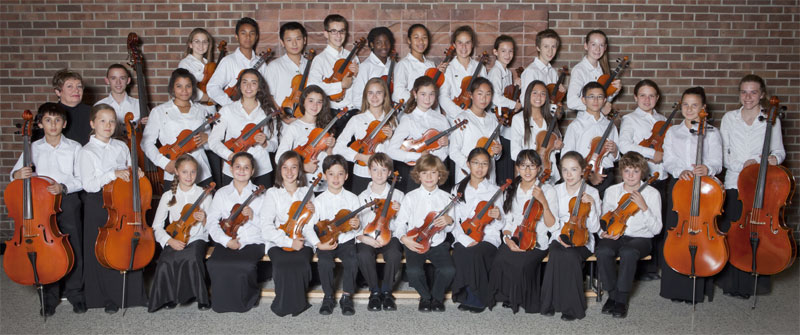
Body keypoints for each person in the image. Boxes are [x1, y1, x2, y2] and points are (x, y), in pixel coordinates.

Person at [10, 103, 85, 316]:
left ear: (65, 123)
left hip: (67, 200)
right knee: (47, 252)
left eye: (57, 120)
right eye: (48, 120)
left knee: (74, 246)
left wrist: (63, 187)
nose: (53, 124)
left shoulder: (74, 147)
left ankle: (76, 294)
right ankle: (49, 298)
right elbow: (13, 174)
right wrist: (18, 175)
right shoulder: (33, 147)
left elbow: (81, 178)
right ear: (41, 124)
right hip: (41, 207)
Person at [717, 74, 785, 299]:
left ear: (762, 94)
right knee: (734, 232)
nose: (748, 97)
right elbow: (724, 153)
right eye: (744, 92)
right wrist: (742, 165)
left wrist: (771, 160)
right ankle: (731, 283)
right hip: (735, 181)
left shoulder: (771, 118)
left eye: (753, 92)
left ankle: (754, 283)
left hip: (760, 183)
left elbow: (779, 151)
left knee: (759, 234)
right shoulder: (729, 118)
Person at [76, 104, 146, 313]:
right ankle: (107, 298)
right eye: (103, 121)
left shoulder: (121, 146)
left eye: (112, 121)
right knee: (103, 251)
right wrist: (113, 174)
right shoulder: (86, 152)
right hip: (99, 203)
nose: (108, 125)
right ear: (92, 123)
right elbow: (88, 184)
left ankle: (133, 295)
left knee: (125, 246)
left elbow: (128, 167)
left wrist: (136, 172)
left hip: (121, 202)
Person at [659, 86, 723, 304]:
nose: (689, 109)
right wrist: (680, 171)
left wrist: (708, 169)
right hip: (680, 186)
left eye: (694, 105)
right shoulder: (673, 132)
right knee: (678, 232)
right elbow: (668, 159)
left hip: (704, 188)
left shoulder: (712, 132)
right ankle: (675, 287)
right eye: (685, 104)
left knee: (702, 233)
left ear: (703, 108)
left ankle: (700, 282)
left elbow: (717, 161)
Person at [489, 150, 556, 314]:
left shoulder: (548, 190)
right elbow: (508, 220)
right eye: (523, 166)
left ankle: (520, 298)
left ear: (539, 169)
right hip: (515, 235)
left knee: (520, 262)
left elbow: (552, 225)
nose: (527, 171)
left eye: (532, 166)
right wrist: (507, 239)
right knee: (499, 259)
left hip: (537, 239)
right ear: (517, 168)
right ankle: (507, 295)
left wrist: (544, 203)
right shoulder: (512, 189)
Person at [596, 151, 662, 318]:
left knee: (628, 252)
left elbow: (656, 230)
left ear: (643, 172)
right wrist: (604, 233)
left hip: (641, 238)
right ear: (621, 171)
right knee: (603, 250)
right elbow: (605, 220)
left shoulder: (652, 194)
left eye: (636, 171)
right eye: (627, 171)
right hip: (617, 235)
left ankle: (621, 299)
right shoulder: (612, 191)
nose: (631, 175)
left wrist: (644, 207)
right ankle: (612, 295)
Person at [617, 79, 669, 281]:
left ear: (657, 98)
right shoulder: (630, 119)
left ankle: (653, 267)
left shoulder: (663, 119)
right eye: (643, 95)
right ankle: (641, 270)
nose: (647, 99)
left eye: (651, 95)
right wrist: (650, 153)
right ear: (636, 98)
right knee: (639, 221)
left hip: (661, 176)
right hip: (643, 179)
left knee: (657, 221)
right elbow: (624, 145)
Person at [540, 151, 601, 321]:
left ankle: (572, 308)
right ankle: (549, 302)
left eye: (573, 169)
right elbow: (551, 222)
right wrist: (561, 236)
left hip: (583, 239)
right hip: (560, 235)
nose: (568, 174)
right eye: (565, 170)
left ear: (582, 171)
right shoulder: (555, 190)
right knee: (558, 252)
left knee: (571, 255)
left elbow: (595, 228)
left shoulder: (592, 192)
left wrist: (593, 206)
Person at [147, 154, 212, 312]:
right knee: (166, 260)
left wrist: (204, 219)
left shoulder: (204, 194)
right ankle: (169, 296)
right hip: (174, 236)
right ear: (176, 172)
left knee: (191, 258)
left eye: (193, 172)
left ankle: (199, 297)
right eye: (184, 172)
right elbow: (156, 226)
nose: (189, 176)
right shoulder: (168, 196)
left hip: (197, 237)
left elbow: (212, 227)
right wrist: (169, 241)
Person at [205, 152, 267, 313]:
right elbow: (211, 222)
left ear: (252, 171)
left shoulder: (260, 194)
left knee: (245, 265)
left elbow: (267, 226)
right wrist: (226, 241)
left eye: (246, 167)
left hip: (253, 240)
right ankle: (221, 303)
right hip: (227, 238)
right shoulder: (221, 193)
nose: (241, 170)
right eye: (237, 166)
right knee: (214, 263)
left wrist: (252, 216)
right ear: (231, 169)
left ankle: (247, 299)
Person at [395, 154, 456, 312]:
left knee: (449, 270)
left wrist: (449, 221)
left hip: (437, 243)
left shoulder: (447, 198)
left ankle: (436, 297)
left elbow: (451, 228)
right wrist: (404, 239)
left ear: (440, 175)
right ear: (418, 175)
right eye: (424, 173)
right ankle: (425, 297)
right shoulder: (410, 197)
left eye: (433, 172)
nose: (429, 176)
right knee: (413, 271)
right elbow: (400, 223)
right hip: (415, 241)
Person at [260, 151, 315, 317]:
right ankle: (283, 304)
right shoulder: (272, 193)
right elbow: (266, 227)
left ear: (299, 170)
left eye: (294, 167)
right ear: (279, 170)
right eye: (285, 167)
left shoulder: (307, 192)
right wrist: (288, 242)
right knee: (283, 263)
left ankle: (299, 303)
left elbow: (311, 225)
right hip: (278, 241)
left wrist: (314, 212)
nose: (289, 172)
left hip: (302, 240)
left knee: (299, 261)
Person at [306, 154, 361, 316]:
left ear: (346, 176)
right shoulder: (319, 200)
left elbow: (358, 228)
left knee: (352, 260)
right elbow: (309, 227)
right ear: (324, 176)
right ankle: (328, 296)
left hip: (346, 240)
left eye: (340, 174)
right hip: (326, 241)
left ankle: (347, 296)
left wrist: (356, 226)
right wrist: (318, 244)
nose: (336, 178)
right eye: (331, 174)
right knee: (324, 262)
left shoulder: (353, 198)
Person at [450, 148, 503, 313]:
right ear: (468, 164)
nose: (480, 168)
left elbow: (501, 225)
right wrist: (465, 239)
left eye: (484, 164)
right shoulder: (457, 189)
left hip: (488, 236)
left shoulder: (495, 190)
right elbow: (454, 221)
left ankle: (478, 297)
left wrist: (499, 216)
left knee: (477, 252)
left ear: (489, 166)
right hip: (464, 234)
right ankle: (464, 294)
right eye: (475, 163)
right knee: (460, 250)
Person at [142, 68, 213, 191]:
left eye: (188, 86)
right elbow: (146, 143)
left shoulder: (202, 110)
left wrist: (208, 139)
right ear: (172, 88)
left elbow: (209, 145)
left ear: (193, 88)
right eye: (179, 86)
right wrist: (164, 163)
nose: (184, 91)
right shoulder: (159, 111)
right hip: (174, 169)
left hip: (202, 172)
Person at [208, 69, 280, 188]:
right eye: (245, 82)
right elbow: (213, 141)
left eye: (253, 83)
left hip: (262, 170)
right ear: (239, 86)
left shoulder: (268, 112)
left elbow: (274, 145)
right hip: (233, 171)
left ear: (259, 87)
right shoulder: (227, 110)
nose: (249, 86)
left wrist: (265, 143)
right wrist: (230, 156)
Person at [355, 153, 405, 311]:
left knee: (395, 254)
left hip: (389, 235)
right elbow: (357, 225)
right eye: (375, 169)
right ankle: (374, 291)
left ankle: (387, 290)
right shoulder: (362, 197)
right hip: (368, 236)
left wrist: (398, 213)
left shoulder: (398, 195)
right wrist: (363, 238)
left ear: (390, 173)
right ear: (369, 171)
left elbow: (403, 224)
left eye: (383, 170)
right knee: (363, 254)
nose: (379, 174)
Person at [385, 76, 450, 193]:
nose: (428, 99)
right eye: (423, 94)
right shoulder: (408, 119)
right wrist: (418, 156)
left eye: (431, 94)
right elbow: (391, 151)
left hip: (439, 176)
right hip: (418, 176)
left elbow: (448, 151)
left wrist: (447, 143)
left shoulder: (441, 119)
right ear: (415, 94)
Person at [334, 78, 397, 194]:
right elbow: (338, 147)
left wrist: (391, 138)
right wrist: (360, 157)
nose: (374, 97)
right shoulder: (356, 119)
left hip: (385, 175)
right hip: (362, 174)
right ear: (365, 96)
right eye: (370, 93)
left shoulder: (392, 121)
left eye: (379, 93)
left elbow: (395, 152)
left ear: (385, 96)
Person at [562, 81, 619, 198]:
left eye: (600, 97)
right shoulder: (576, 125)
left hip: (607, 175)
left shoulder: (610, 125)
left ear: (604, 100)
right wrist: (590, 175)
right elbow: (567, 156)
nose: (596, 101)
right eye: (591, 97)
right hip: (584, 176)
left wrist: (614, 150)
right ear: (583, 100)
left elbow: (615, 157)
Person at [275, 85, 335, 193]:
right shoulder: (294, 127)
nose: (315, 105)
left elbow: (330, 163)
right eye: (311, 100)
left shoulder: (325, 127)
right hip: (301, 185)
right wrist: (303, 167)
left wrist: (330, 149)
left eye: (319, 102)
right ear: (303, 102)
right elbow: (279, 158)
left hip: (323, 184)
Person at [448, 77, 502, 184]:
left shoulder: (493, 120)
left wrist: (498, 151)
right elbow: (453, 152)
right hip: (467, 176)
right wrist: (472, 168)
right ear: (471, 95)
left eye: (488, 94)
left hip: (489, 177)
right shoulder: (461, 118)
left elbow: (495, 153)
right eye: (480, 94)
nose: (484, 98)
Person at [206, 17, 268, 107]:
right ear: (236, 36)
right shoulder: (228, 61)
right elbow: (212, 87)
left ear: (256, 37)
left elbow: (267, 90)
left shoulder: (262, 63)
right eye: (243, 33)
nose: (248, 37)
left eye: (252, 33)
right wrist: (231, 106)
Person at [510, 80, 562, 184]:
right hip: (528, 174)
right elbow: (514, 152)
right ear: (528, 95)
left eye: (543, 94)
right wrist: (532, 163)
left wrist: (558, 146)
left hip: (548, 170)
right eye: (535, 93)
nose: (539, 97)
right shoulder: (518, 119)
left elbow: (557, 142)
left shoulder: (551, 119)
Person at [307, 14, 360, 118]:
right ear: (326, 34)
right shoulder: (320, 59)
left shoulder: (353, 57)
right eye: (334, 31)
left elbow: (359, 88)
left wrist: (358, 75)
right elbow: (312, 88)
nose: (338, 36)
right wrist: (340, 85)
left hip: (353, 111)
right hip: (332, 113)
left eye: (341, 31)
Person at [486, 35, 520, 184]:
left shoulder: (507, 72)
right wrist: (515, 105)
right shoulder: (496, 72)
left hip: (505, 120)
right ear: (495, 52)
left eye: (510, 51)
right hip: (496, 119)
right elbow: (495, 97)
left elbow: (507, 94)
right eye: (503, 51)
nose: (507, 55)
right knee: (501, 156)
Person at [439, 25, 487, 122]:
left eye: (467, 43)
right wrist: (461, 114)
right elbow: (443, 97)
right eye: (460, 43)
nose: (464, 47)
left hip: (478, 118)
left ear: (472, 44)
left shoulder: (480, 67)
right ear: (454, 44)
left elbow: (487, 94)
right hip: (456, 119)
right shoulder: (448, 68)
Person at [566, 30, 620, 114]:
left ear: (605, 48)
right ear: (586, 46)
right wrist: (599, 107)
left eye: (601, 45)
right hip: (586, 122)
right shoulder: (579, 70)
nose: (597, 49)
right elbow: (571, 102)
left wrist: (614, 92)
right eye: (593, 44)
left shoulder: (602, 69)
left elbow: (604, 99)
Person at [392, 24, 446, 104]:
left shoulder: (431, 65)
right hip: (413, 113)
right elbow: (398, 93)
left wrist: (439, 75)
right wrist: (420, 102)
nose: (421, 41)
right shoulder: (403, 64)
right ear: (409, 40)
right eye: (416, 37)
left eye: (424, 37)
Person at [266, 21, 308, 121]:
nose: (294, 43)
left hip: (306, 121)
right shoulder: (274, 66)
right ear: (282, 42)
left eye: (298, 39)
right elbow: (268, 96)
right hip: (283, 121)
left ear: (304, 40)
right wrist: (282, 116)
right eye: (289, 40)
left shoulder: (311, 65)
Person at [351, 26, 395, 108]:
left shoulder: (394, 64)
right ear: (372, 45)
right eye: (379, 43)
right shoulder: (365, 67)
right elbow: (357, 99)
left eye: (387, 42)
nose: (384, 46)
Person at [52, 69, 91, 145]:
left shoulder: (92, 112)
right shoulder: (50, 114)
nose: (76, 90)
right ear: (58, 92)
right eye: (70, 86)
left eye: (79, 86)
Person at [520, 29, 564, 94]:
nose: (550, 51)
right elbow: (525, 99)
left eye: (553, 47)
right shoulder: (531, 71)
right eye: (546, 46)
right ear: (538, 47)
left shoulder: (553, 72)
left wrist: (560, 94)